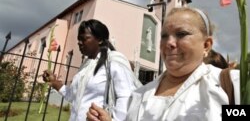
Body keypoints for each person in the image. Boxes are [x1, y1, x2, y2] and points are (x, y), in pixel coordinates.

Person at [86, 7, 239, 121]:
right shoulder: (139, 95)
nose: (169, 43)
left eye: (182, 34)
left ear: (206, 45)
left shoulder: (230, 85)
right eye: (164, 36)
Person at [43, 19, 142, 121]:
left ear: (99, 40)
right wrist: (55, 82)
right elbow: (74, 96)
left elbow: (126, 98)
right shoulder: (86, 66)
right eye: (78, 39)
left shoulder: (114, 61)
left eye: (84, 38)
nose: (79, 43)